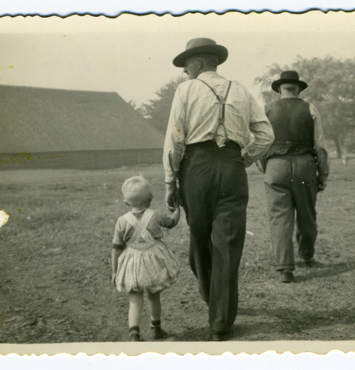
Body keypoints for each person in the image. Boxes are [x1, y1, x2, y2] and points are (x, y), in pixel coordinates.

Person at [163, 38, 274, 341]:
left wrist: (170, 182)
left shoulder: (186, 90)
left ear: (199, 63)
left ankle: (219, 317)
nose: (185, 70)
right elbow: (266, 135)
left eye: (187, 64)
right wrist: (242, 159)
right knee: (226, 246)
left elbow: (174, 139)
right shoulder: (240, 89)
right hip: (232, 169)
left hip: (196, 169)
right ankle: (220, 313)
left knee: (200, 242)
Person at [258, 70, 330, 283]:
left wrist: (267, 167)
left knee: (279, 218)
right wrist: (323, 174)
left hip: (275, 166)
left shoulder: (266, 110)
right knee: (307, 214)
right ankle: (306, 255)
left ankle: (285, 269)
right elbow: (321, 147)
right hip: (305, 165)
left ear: (279, 88)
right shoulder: (310, 108)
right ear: (298, 88)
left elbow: (259, 145)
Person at [111, 175, 181, 341]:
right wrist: (177, 210)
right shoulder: (155, 215)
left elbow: (115, 249)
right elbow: (171, 223)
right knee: (154, 295)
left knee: (134, 299)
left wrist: (115, 271)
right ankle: (156, 329)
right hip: (153, 263)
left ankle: (134, 334)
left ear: (126, 202)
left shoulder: (122, 221)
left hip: (132, 264)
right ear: (150, 198)